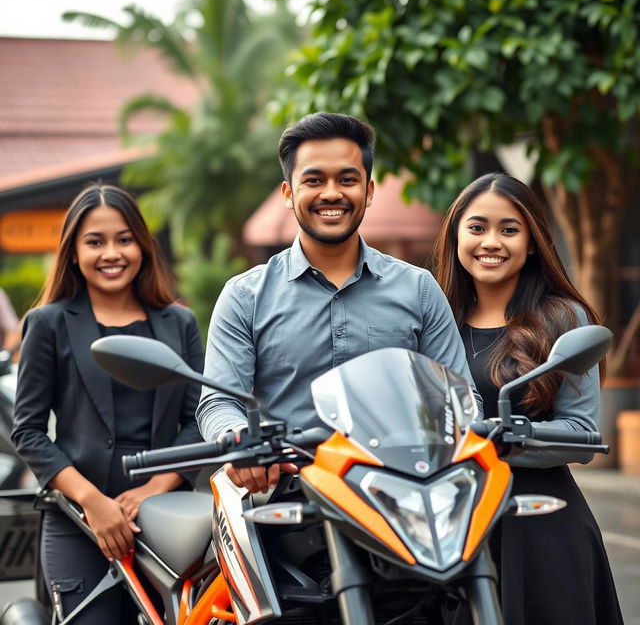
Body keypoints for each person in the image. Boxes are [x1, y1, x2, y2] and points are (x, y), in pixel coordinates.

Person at [197, 111, 481, 494]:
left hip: (405, 497)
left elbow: (459, 397)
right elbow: (219, 401)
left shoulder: (418, 289)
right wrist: (240, 441)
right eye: (313, 180)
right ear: (288, 193)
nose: (331, 193)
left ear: (369, 191)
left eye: (347, 179)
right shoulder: (245, 296)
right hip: (287, 497)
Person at [432, 172, 623, 624]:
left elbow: (582, 432)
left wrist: (501, 436)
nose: (491, 241)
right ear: (456, 234)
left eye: (509, 229)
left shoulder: (562, 317)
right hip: (450, 528)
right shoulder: (435, 318)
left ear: (533, 241)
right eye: (477, 227)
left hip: (541, 526)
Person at [11, 183, 204, 625]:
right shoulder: (48, 323)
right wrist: (93, 502)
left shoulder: (179, 322)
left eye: (123, 239)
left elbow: (198, 420)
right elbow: (29, 431)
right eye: (95, 242)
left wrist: (153, 490)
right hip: (77, 521)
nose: (111, 253)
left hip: (170, 520)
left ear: (142, 245)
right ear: (73, 253)